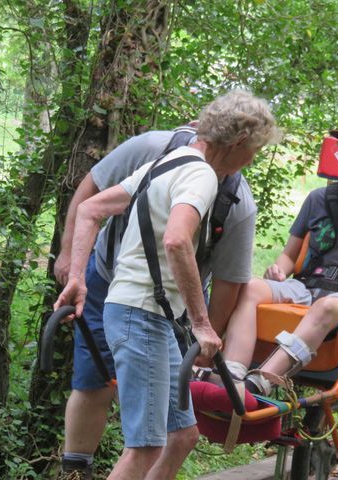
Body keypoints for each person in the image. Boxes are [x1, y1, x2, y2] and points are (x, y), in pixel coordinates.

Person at [54, 89, 279, 480]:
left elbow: (92, 209)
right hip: (142, 314)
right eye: (254, 151)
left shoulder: (172, 159)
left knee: (183, 435)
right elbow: (177, 240)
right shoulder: (202, 174)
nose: (251, 161)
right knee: (145, 446)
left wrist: (76, 278)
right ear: (239, 142)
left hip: (142, 311)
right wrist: (202, 324)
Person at [215, 118, 338, 395]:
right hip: (307, 285)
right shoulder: (318, 198)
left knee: (327, 306)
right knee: (249, 287)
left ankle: (262, 381)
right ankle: (232, 374)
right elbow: (289, 255)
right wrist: (279, 270)